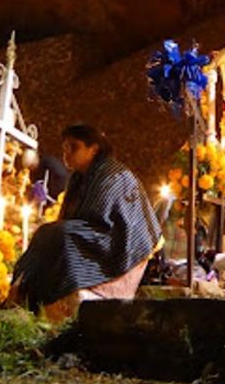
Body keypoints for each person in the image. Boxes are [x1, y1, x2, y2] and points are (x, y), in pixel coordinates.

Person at [10, 124, 162, 311]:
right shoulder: (77, 178)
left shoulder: (111, 174)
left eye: (73, 146)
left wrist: (62, 230)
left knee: (61, 235)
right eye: (64, 147)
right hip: (97, 233)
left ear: (94, 149)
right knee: (49, 233)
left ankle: (38, 296)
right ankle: (25, 293)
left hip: (121, 244)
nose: (66, 153)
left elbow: (97, 218)